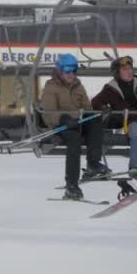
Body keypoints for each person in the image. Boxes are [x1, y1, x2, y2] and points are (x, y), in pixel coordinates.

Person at [41, 54, 110, 200]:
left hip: (77, 122)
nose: (71, 74)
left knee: (95, 121)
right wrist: (64, 119)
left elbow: (87, 109)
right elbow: (48, 114)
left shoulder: (79, 86)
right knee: (74, 139)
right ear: (59, 71)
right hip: (61, 126)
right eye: (67, 70)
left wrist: (100, 113)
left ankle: (93, 164)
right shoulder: (51, 87)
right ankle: (72, 185)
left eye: (74, 70)